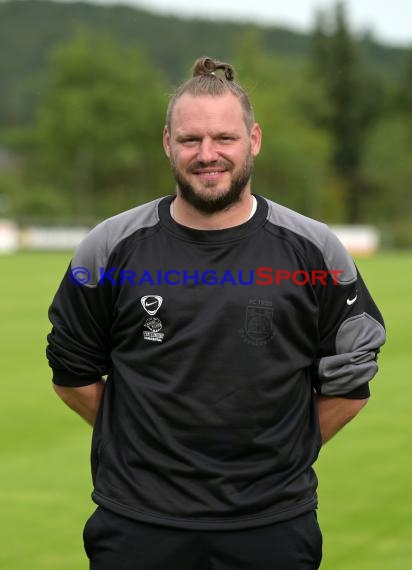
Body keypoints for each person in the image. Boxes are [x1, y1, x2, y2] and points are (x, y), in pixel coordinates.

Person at [46, 57, 386, 570]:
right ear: (167, 143)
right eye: (191, 140)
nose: (208, 155)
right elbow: (71, 373)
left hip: (272, 525)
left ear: (253, 139)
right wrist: (138, 439)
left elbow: (352, 380)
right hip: (138, 524)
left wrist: (285, 454)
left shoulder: (313, 250)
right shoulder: (111, 247)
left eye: (224, 138)